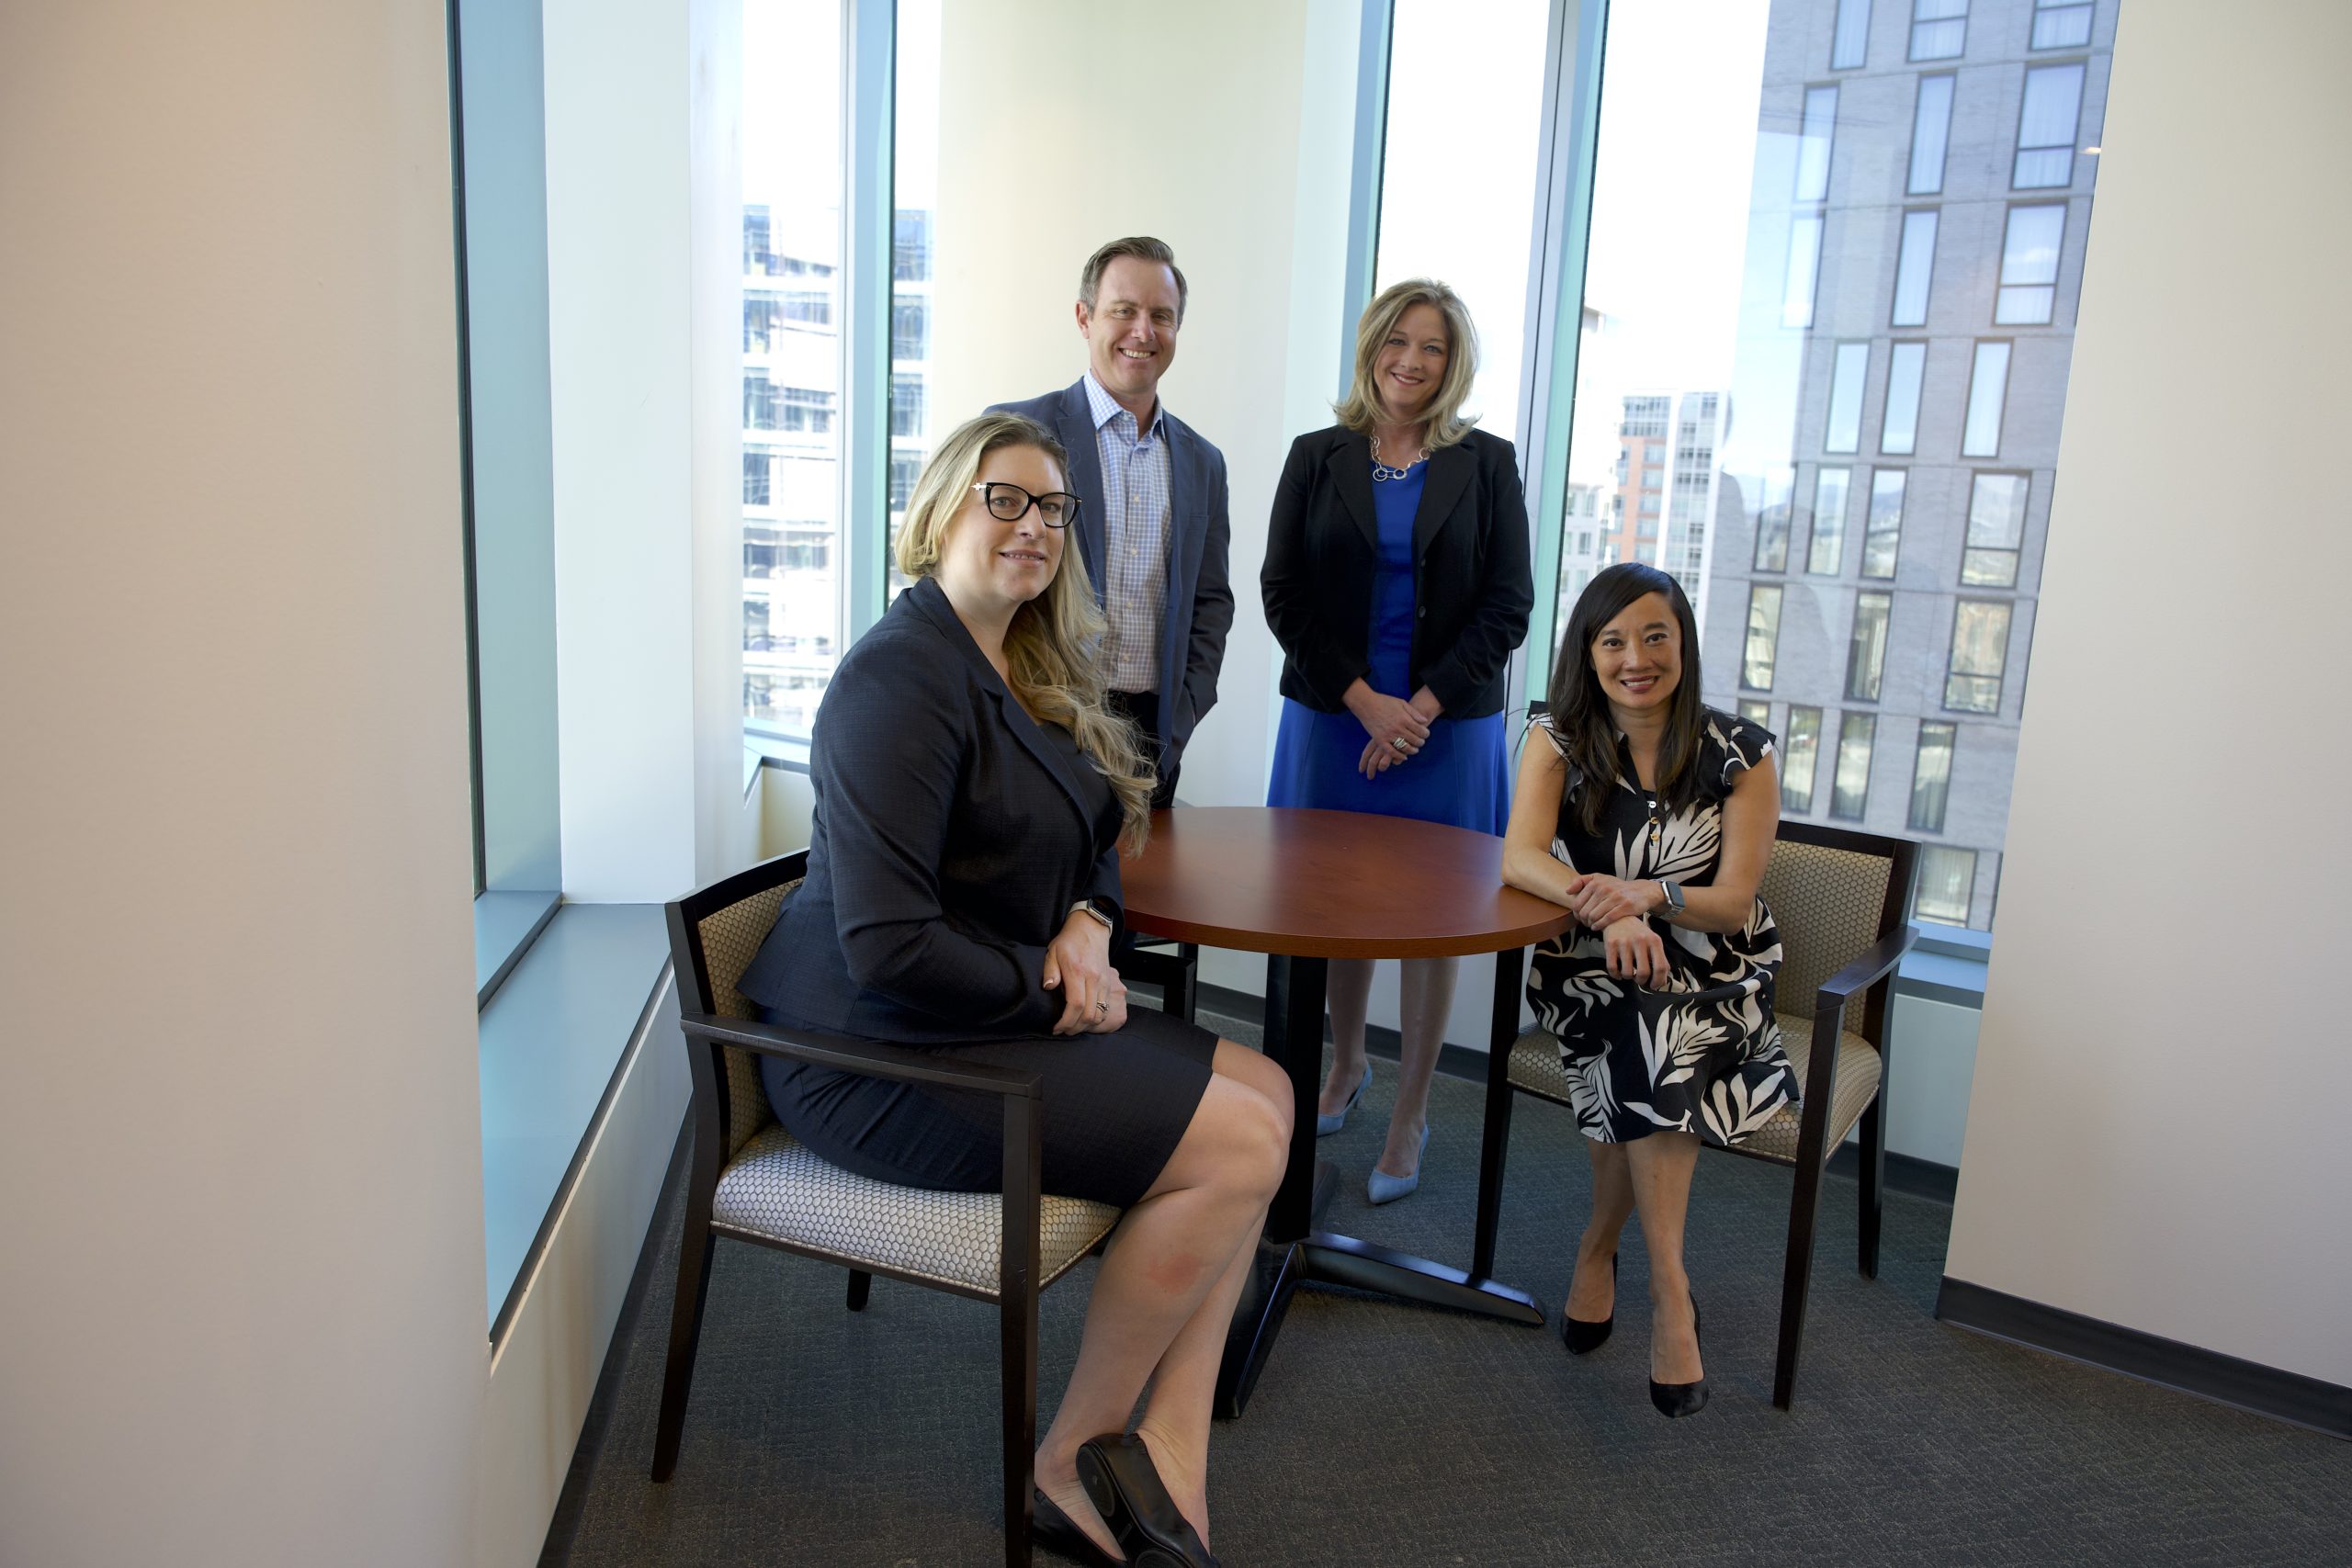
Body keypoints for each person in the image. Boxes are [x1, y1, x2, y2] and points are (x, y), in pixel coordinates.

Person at [735, 412, 1287, 1566]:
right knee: (1239, 1147)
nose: (1033, 527)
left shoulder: (1018, 659)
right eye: (1005, 499)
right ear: (941, 512)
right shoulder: (896, 683)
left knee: (1273, 1095)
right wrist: (1055, 1002)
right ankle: (1066, 1466)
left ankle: (1175, 1446)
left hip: (970, 1009)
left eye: (1052, 508)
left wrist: (1088, 921)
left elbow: (1095, 820)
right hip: (877, 1055)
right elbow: (888, 949)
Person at [1498, 561, 1794, 1419]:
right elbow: (1519, 856)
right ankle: (1669, 1286)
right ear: (1588, 653)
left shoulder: (1742, 753)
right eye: (1614, 639)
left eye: (1655, 636)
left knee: (1651, 1026)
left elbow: (1734, 901)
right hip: (1589, 957)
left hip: (1713, 967)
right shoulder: (1557, 738)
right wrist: (1610, 911)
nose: (1637, 657)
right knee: (1630, 1011)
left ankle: (1614, 1258)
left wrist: (1649, 898)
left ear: (1683, 643)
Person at [1260, 277, 1532, 1204]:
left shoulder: (1487, 465)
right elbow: (1282, 595)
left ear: (1453, 367)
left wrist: (1415, 706)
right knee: (1335, 911)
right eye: (1399, 342)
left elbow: (1508, 607)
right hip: (1332, 720)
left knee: (1429, 924)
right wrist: (1365, 701)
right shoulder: (1314, 456)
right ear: (1371, 346)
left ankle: (1412, 1109)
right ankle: (1344, 1067)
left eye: (1435, 349)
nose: (1413, 361)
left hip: (1446, 730)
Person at [992, 237, 1234, 807]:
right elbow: (975, 577)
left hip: (1151, 734)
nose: (1142, 331)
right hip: (1038, 714)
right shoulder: (1017, 432)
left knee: (1135, 893)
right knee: (1037, 892)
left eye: (1161, 316)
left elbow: (1210, 601)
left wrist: (1184, 712)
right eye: (1123, 310)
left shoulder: (1204, 462)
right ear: (1085, 318)